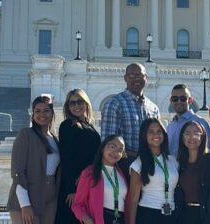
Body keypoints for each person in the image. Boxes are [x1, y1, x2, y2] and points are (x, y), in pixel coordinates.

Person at [7, 95, 60, 224]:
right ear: (33, 114)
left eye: (46, 110)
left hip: (50, 199)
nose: (42, 114)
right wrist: (25, 205)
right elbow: (18, 172)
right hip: (27, 196)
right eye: (38, 111)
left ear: (52, 113)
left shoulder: (55, 139)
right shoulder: (25, 134)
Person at [57, 89, 101, 224]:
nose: (76, 106)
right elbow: (66, 158)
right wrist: (71, 189)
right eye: (72, 103)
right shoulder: (68, 125)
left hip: (87, 182)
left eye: (80, 102)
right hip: (74, 186)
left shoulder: (89, 125)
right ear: (68, 107)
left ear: (86, 103)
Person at [101, 63, 160, 158]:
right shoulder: (115, 104)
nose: (136, 79)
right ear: (125, 78)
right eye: (132, 75)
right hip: (125, 161)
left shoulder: (153, 108)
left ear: (146, 78)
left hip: (150, 161)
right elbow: (108, 142)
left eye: (140, 75)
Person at [127, 118, 179, 224]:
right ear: (144, 136)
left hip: (170, 214)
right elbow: (133, 199)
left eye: (159, 131)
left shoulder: (173, 160)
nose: (156, 135)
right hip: (148, 214)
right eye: (151, 132)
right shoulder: (138, 163)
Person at [72, 135, 130, 224]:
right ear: (103, 147)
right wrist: (86, 219)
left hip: (120, 219)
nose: (115, 152)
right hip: (101, 219)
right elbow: (77, 204)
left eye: (120, 150)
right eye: (112, 147)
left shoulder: (122, 173)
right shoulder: (89, 173)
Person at [174, 121, 210, 224]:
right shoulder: (179, 163)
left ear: (203, 137)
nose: (192, 137)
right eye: (187, 134)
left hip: (204, 216)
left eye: (196, 133)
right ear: (182, 137)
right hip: (184, 215)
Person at [166, 84, 210, 154]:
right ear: (171, 101)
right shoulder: (170, 126)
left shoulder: (200, 122)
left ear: (190, 100)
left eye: (183, 98)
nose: (179, 101)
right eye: (175, 99)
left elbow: (207, 150)